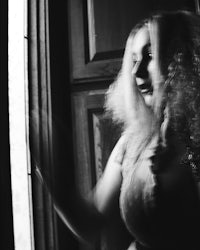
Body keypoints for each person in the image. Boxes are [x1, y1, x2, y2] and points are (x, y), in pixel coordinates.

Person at [37, 10, 200, 250]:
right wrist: (57, 181)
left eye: (150, 55)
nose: (136, 72)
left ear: (181, 58)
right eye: (134, 60)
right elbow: (89, 223)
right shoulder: (132, 143)